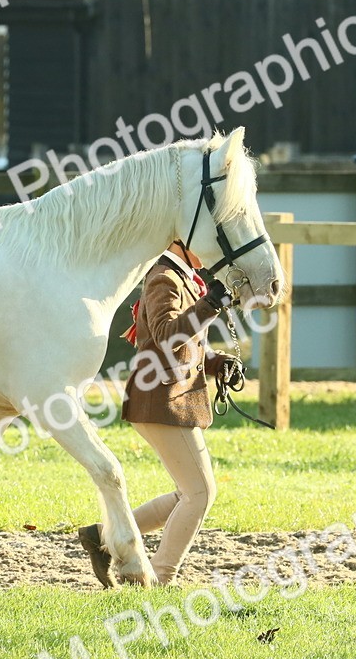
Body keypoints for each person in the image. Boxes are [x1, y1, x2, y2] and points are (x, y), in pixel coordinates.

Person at [78, 240, 241, 587]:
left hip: (170, 399)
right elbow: (167, 337)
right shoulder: (163, 278)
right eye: (203, 246)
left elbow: (186, 347)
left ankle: (104, 538)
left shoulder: (183, 277)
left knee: (189, 493)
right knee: (200, 493)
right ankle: (159, 578)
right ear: (179, 244)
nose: (211, 254)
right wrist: (211, 304)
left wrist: (217, 362)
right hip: (160, 401)